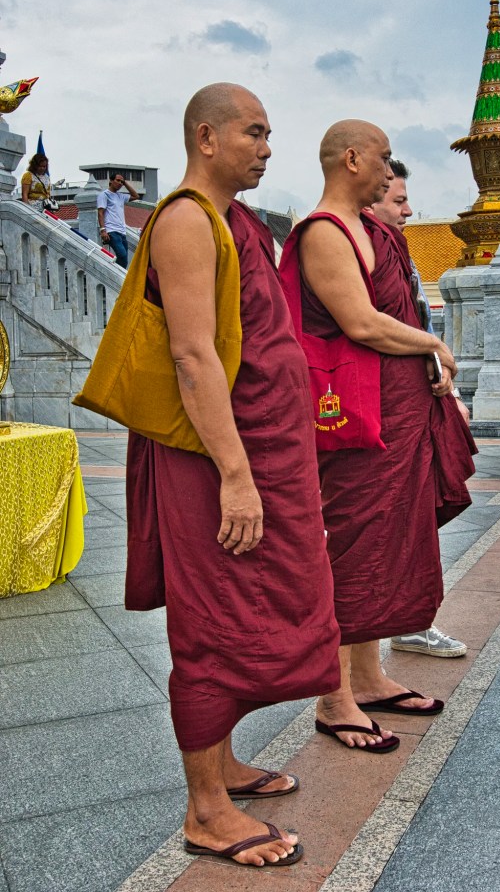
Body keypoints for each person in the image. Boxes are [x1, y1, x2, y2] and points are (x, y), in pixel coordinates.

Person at [121, 85, 340, 867]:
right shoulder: (184, 219)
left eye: (271, 132)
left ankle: (226, 766)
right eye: (255, 132)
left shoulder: (236, 222)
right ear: (206, 138)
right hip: (214, 460)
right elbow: (191, 355)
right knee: (214, 619)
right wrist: (237, 475)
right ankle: (205, 808)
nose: (269, 146)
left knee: (261, 605)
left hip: (260, 451)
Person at [284, 120, 476, 752]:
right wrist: (433, 343)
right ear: (352, 159)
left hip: (394, 413)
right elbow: (361, 324)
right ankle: (333, 695)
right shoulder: (324, 232)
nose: (392, 171)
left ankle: (366, 677)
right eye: (385, 159)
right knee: (351, 545)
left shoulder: (375, 233)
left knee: (386, 542)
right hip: (354, 418)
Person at [371, 158, 469, 660]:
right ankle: (397, 627)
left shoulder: (397, 249)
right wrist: (435, 347)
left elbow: (412, 321)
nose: (409, 211)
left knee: (416, 520)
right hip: (380, 411)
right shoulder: (349, 242)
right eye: (398, 201)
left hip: (417, 398)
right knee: (383, 528)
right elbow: (369, 325)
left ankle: (411, 619)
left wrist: (444, 380)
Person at [97, 172, 140, 267]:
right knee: (122, 254)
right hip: (111, 231)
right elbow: (100, 213)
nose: (120, 183)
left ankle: (120, 278)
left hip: (122, 232)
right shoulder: (104, 195)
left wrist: (126, 183)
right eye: (118, 180)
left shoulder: (120, 196)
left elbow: (136, 196)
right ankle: (116, 275)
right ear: (111, 181)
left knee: (124, 260)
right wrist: (103, 230)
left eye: (122, 182)